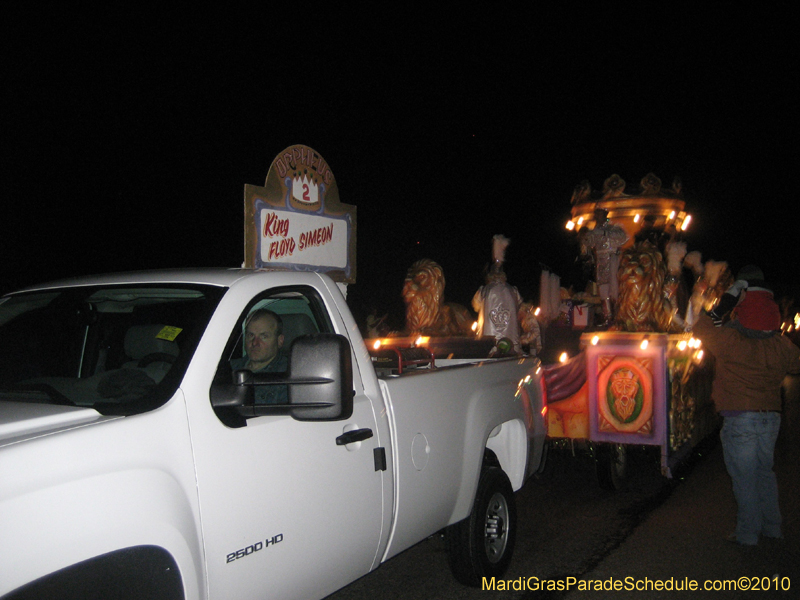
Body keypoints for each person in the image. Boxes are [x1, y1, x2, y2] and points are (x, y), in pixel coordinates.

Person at [694, 267, 800, 546]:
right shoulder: (781, 345)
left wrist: (726, 301)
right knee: (765, 473)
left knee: (744, 478)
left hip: (740, 419)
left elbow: (701, 327)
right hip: (771, 420)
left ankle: (748, 534)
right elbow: (796, 362)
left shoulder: (731, 340)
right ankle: (772, 527)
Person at [230, 308, 288, 405]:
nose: (255, 343)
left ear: (280, 341)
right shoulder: (229, 369)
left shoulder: (288, 375)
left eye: (263, 336)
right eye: (250, 335)